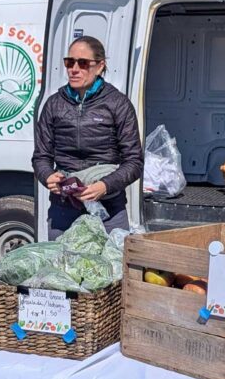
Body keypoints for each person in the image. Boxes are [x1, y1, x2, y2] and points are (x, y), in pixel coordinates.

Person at [33, 35, 143, 239]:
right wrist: (47, 175)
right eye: (69, 62)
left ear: (100, 66)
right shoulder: (53, 105)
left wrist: (105, 186)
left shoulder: (118, 104)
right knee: (61, 267)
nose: (74, 69)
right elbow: (41, 156)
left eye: (83, 63)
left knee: (114, 267)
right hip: (64, 206)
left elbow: (134, 162)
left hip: (109, 206)